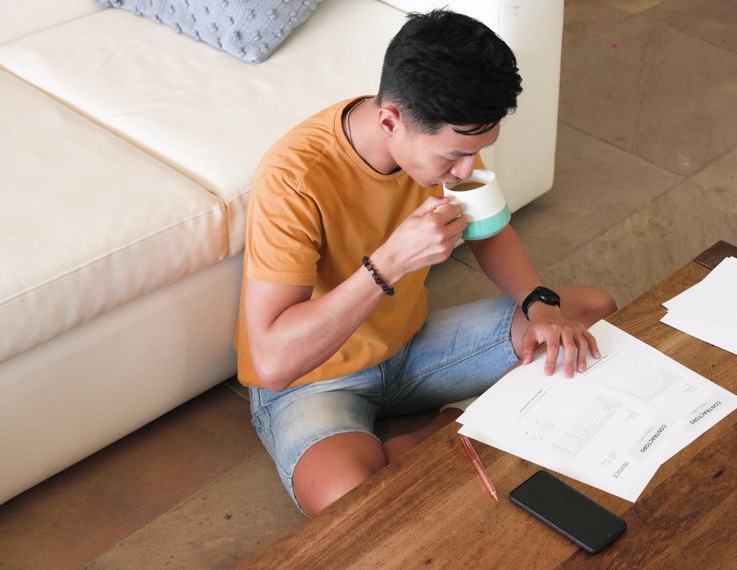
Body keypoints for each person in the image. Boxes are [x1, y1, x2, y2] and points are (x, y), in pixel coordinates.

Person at [235, 9, 616, 516]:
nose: (465, 171)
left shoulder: (449, 138)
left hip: (412, 348)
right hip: (315, 378)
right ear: (390, 120)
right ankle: (453, 430)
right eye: (455, 156)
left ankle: (442, 427)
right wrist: (386, 265)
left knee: (590, 315)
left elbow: (489, 232)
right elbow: (273, 362)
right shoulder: (295, 178)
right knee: (353, 502)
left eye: (476, 152)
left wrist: (540, 304)